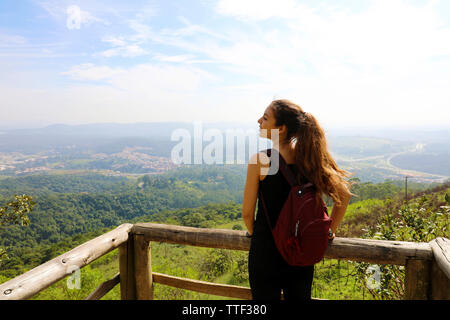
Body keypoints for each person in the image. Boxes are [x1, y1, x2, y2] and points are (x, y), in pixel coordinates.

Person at [242, 99, 352, 300]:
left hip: (266, 253)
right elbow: (343, 196)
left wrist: (255, 234)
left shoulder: (260, 161)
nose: (259, 121)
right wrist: (329, 231)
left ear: (281, 129)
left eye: (265, 118)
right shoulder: (309, 159)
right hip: (301, 251)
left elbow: (247, 213)